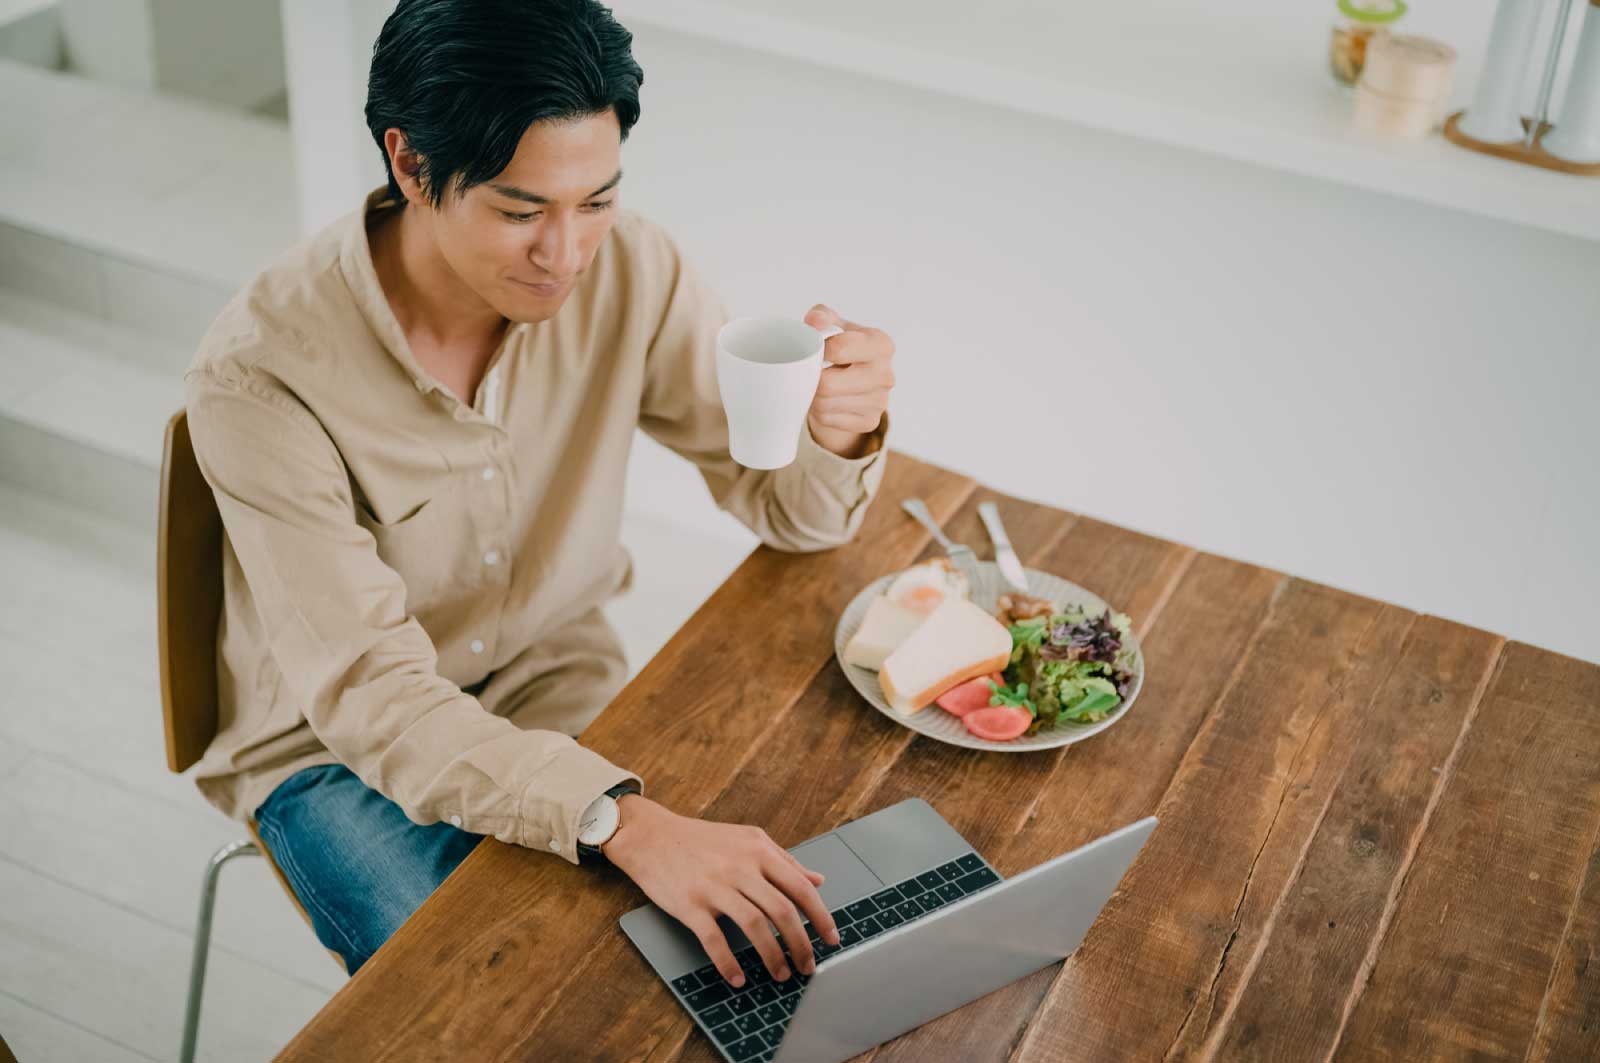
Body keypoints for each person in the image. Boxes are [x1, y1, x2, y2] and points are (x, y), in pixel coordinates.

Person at [184, 0, 896, 982]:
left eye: (594, 201)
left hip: (548, 676)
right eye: (520, 212)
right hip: (332, 750)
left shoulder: (633, 268)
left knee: (753, 918)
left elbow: (790, 514)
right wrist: (615, 816)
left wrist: (840, 426)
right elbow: (372, 694)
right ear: (409, 163)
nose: (565, 256)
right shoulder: (261, 374)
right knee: (493, 994)